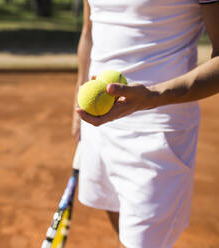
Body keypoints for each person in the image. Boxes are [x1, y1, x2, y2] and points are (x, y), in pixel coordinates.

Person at [72, 1, 219, 248]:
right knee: (117, 221)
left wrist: (153, 96)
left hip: (157, 134)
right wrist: (77, 97)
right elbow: (89, 31)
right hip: (99, 127)